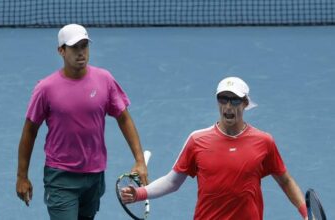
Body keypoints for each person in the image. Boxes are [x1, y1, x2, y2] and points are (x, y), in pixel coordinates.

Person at [121, 77, 308, 220]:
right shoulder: (197, 140)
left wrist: (306, 213)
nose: (228, 106)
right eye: (223, 99)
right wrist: (139, 193)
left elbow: (285, 181)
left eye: (235, 101)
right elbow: (172, 182)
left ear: (245, 104)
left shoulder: (263, 141)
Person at [16, 24, 148, 220]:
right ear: (61, 51)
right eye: (74, 47)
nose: (81, 52)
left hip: (95, 176)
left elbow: (124, 118)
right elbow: (29, 131)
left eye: (84, 46)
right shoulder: (45, 88)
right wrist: (22, 176)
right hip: (60, 176)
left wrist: (139, 160)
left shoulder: (105, 79)